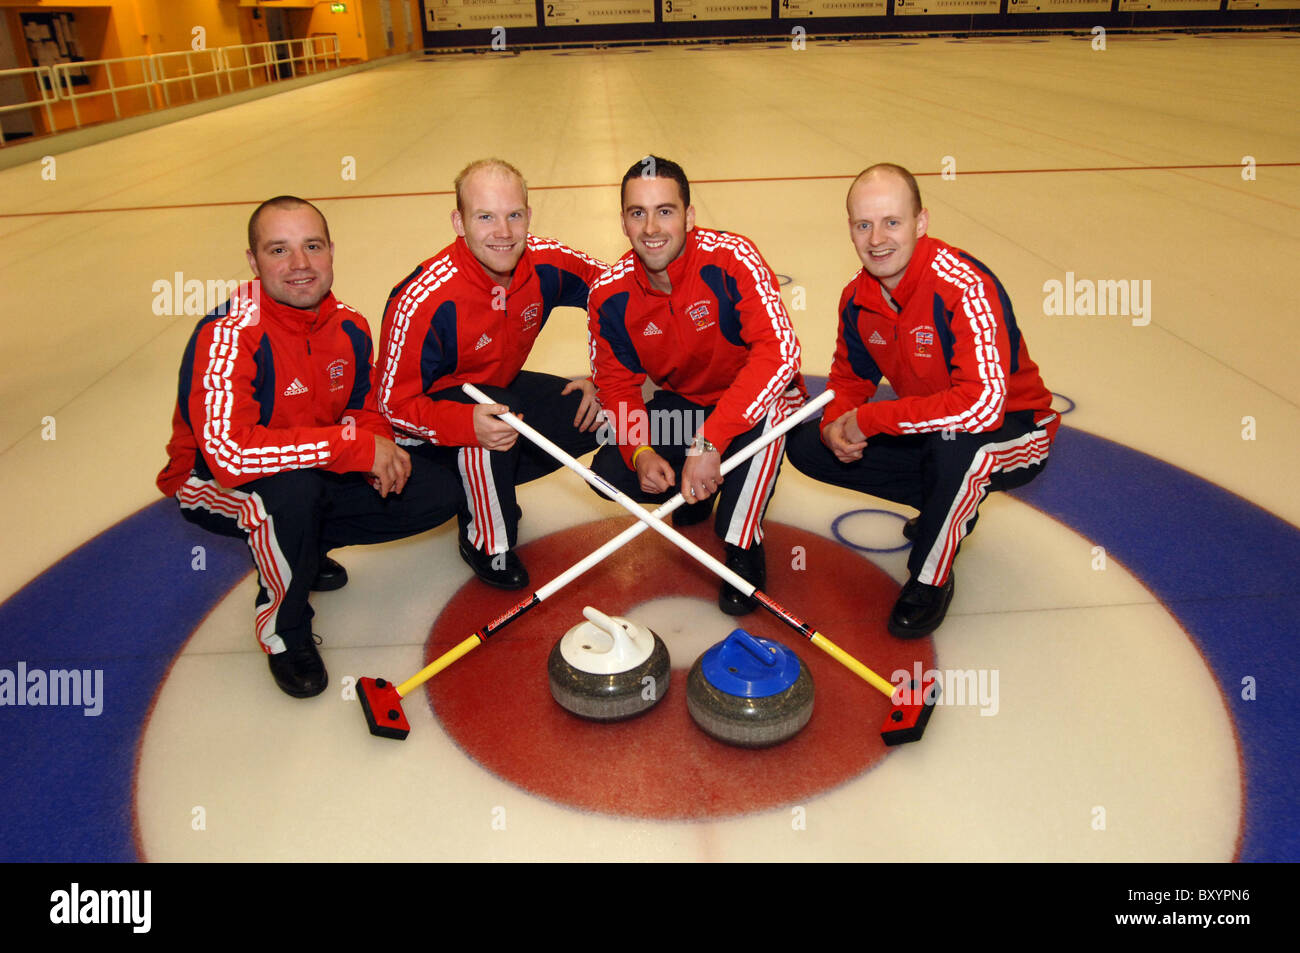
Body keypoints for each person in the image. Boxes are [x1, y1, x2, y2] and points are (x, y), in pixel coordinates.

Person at [156, 196, 459, 698]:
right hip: (208, 482)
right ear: (254, 263)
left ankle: (304, 547)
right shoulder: (228, 333)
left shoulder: (349, 325)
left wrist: (376, 444)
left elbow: (363, 408)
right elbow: (229, 455)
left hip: (308, 464)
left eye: (312, 246)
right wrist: (352, 449)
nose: (300, 265)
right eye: (279, 250)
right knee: (291, 497)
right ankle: (284, 629)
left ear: (331, 251)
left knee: (435, 490)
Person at [787, 163, 1058, 638]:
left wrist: (871, 420)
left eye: (892, 222)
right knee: (808, 444)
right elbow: (851, 376)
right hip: (934, 428)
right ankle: (943, 506)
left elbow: (982, 407)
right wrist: (835, 422)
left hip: (1015, 429)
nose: (877, 239)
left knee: (960, 447)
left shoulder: (963, 286)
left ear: (921, 223)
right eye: (863, 225)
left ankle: (930, 579)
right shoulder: (857, 298)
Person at [587, 156, 804, 615]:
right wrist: (642, 451)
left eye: (665, 211)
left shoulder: (731, 259)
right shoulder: (610, 294)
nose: (651, 227)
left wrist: (710, 440)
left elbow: (779, 353)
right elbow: (615, 385)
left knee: (777, 409)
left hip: (752, 404)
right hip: (687, 406)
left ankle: (741, 544)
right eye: (637, 212)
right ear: (623, 221)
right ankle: (696, 491)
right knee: (612, 467)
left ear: (688, 216)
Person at [378, 159, 607, 590]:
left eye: (513, 215)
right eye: (485, 217)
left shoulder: (547, 262)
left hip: (499, 392)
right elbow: (391, 405)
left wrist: (604, 374)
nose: (503, 232)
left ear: (528, 217)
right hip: (423, 426)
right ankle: (486, 541)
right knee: (497, 414)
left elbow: (616, 292)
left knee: (595, 413)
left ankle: (489, 476)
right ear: (459, 222)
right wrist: (464, 424)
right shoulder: (423, 300)